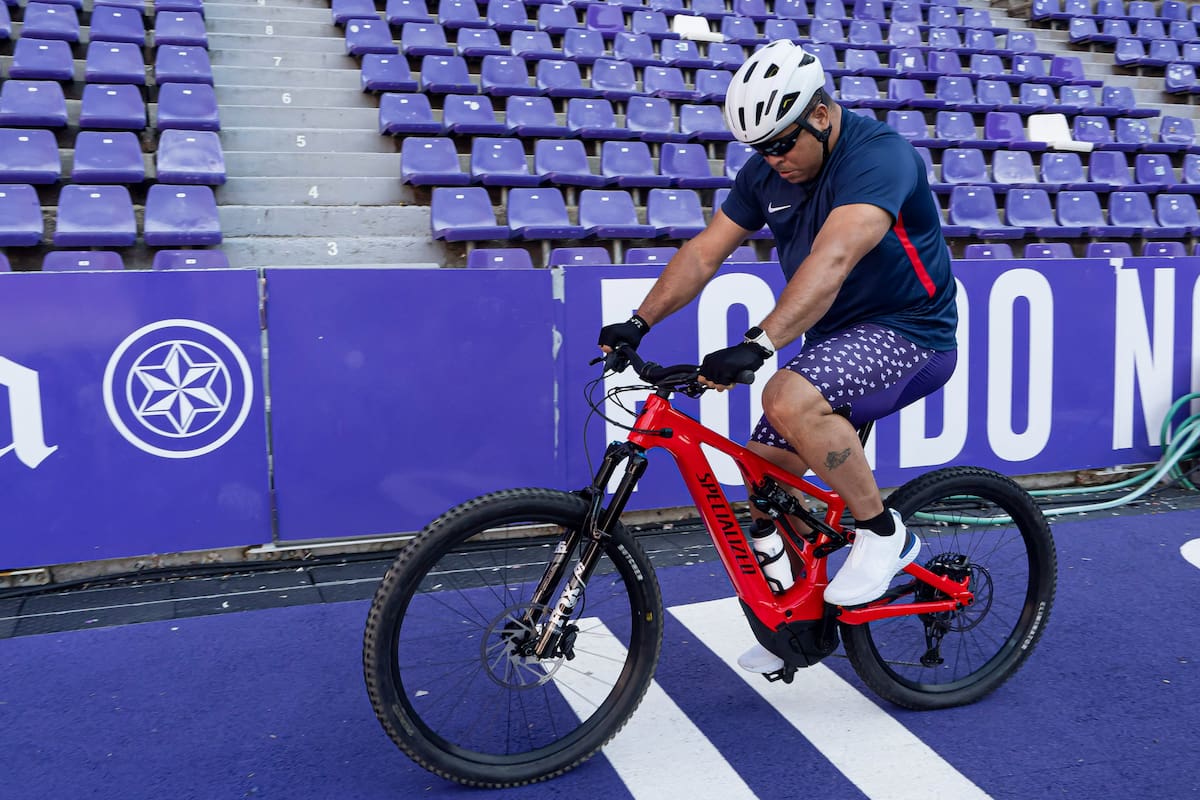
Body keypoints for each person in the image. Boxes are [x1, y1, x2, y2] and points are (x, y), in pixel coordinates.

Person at [598, 40, 959, 674]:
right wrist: (638, 322)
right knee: (764, 475)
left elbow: (834, 258)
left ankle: (884, 534)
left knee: (785, 394)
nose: (772, 159)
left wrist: (759, 343)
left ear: (821, 114)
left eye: (782, 144)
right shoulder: (767, 172)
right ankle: (803, 623)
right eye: (760, 148)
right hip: (835, 342)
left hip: (910, 332)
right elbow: (704, 253)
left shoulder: (880, 157)